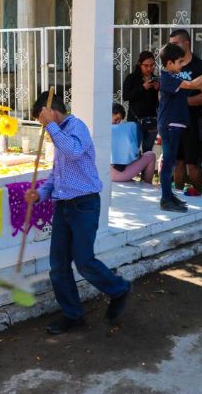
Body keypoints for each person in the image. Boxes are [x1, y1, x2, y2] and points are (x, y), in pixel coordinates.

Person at [24, 92, 132, 335]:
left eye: (42, 117)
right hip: (63, 206)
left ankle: (118, 289)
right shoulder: (57, 134)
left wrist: (51, 126)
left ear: (50, 111)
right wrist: (40, 193)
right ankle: (73, 314)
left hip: (84, 205)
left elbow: (73, 151)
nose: (42, 125)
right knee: (58, 265)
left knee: (83, 261)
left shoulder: (76, 127)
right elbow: (57, 175)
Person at [158, 43, 202, 212]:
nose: (182, 65)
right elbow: (194, 85)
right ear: (169, 63)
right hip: (169, 126)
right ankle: (166, 198)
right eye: (180, 62)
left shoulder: (174, 77)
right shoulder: (167, 78)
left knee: (171, 162)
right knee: (168, 164)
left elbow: (200, 84)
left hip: (176, 125)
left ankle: (169, 195)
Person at [169, 29, 202, 197]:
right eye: (170, 44)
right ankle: (177, 197)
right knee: (177, 162)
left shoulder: (201, 67)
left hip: (193, 121)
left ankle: (199, 199)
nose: (172, 47)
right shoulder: (171, 66)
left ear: (186, 43)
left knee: (193, 163)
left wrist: (182, 102)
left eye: (175, 43)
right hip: (173, 122)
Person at [122, 51, 160, 153]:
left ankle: (146, 169)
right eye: (146, 65)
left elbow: (157, 102)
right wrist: (143, 87)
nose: (149, 68)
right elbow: (126, 96)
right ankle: (132, 169)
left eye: (152, 65)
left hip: (152, 120)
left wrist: (158, 90)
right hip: (135, 120)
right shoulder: (132, 78)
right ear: (140, 64)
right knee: (133, 150)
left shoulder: (155, 79)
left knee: (148, 151)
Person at [110, 103, 157, 183]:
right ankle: (147, 185)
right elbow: (133, 156)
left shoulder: (99, 130)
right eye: (116, 118)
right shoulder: (123, 130)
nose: (117, 122)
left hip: (104, 173)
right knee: (151, 155)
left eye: (119, 120)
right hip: (116, 174)